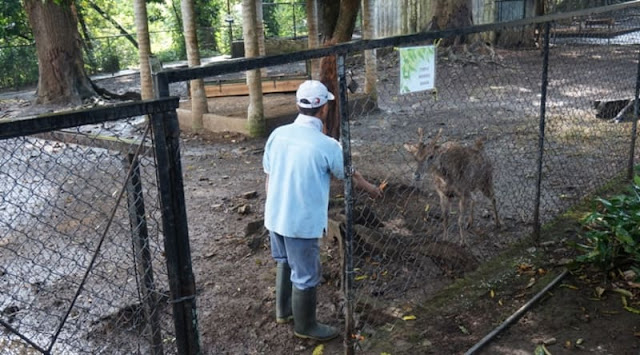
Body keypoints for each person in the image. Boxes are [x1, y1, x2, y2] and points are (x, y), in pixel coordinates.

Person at [263, 80, 382, 341]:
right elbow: (347, 173)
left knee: (284, 261)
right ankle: (305, 326)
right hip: (300, 222)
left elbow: (269, 175)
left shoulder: (277, 134)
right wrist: (371, 188)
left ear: (297, 104)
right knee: (306, 274)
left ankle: (283, 311)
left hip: (274, 215)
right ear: (324, 109)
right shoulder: (327, 145)